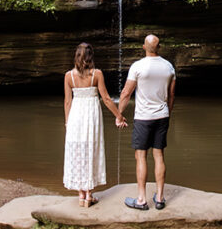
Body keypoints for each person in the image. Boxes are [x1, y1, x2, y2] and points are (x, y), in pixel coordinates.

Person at [63, 42, 127, 207]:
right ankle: (89, 194)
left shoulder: (68, 76)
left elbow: (67, 102)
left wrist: (67, 122)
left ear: (77, 56)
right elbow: (106, 99)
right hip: (91, 115)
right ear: (91, 57)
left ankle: (81, 194)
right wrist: (119, 115)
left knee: (77, 150)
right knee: (91, 148)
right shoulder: (96, 74)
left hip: (76, 115)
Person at [117, 34, 176, 210]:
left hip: (143, 118)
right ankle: (159, 198)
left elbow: (126, 93)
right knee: (159, 155)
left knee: (140, 156)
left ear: (144, 47)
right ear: (159, 48)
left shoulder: (138, 66)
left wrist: (119, 114)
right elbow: (172, 94)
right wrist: (168, 113)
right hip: (162, 116)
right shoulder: (169, 67)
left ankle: (141, 200)